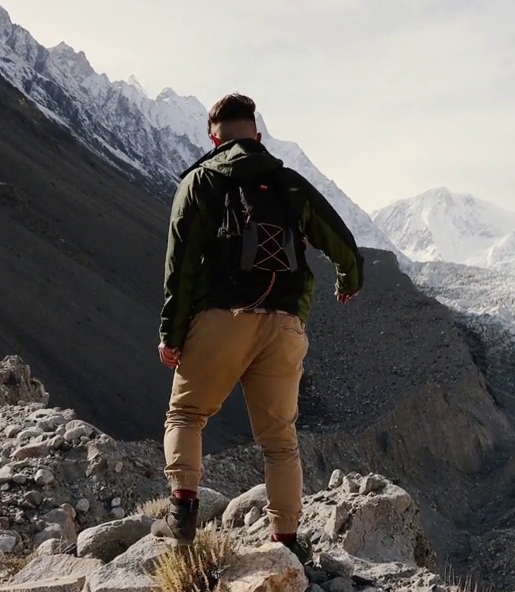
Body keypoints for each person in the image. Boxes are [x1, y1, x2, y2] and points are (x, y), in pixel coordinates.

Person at [153, 93, 363, 561]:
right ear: (257, 134)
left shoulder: (200, 181)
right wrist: (349, 280)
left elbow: (180, 264)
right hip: (285, 324)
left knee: (187, 415)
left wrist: (172, 332)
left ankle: (182, 511)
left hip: (222, 318)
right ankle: (285, 543)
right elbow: (342, 242)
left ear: (214, 136)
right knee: (280, 442)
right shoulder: (289, 183)